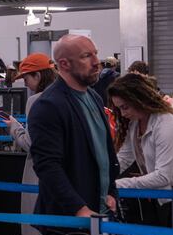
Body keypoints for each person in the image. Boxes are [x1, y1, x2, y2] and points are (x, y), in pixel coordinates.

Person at [29, 34, 119, 222]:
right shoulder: (49, 106)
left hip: (100, 213)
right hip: (69, 222)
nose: (96, 62)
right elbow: (47, 165)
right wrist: (78, 209)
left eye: (96, 54)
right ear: (64, 64)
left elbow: (103, 151)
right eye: (86, 56)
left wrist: (111, 191)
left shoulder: (94, 97)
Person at [5, 53, 57, 235]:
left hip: (38, 175)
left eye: (26, 78)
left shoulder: (36, 101)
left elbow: (31, 144)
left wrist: (14, 127)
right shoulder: (70, 97)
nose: (25, 84)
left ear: (38, 76)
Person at [110, 73, 173, 201]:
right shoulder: (135, 123)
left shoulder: (166, 124)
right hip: (155, 196)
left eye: (125, 107)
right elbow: (124, 158)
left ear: (139, 100)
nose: (122, 114)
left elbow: (163, 176)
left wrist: (117, 184)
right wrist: (102, 176)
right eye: (119, 108)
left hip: (168, 197)